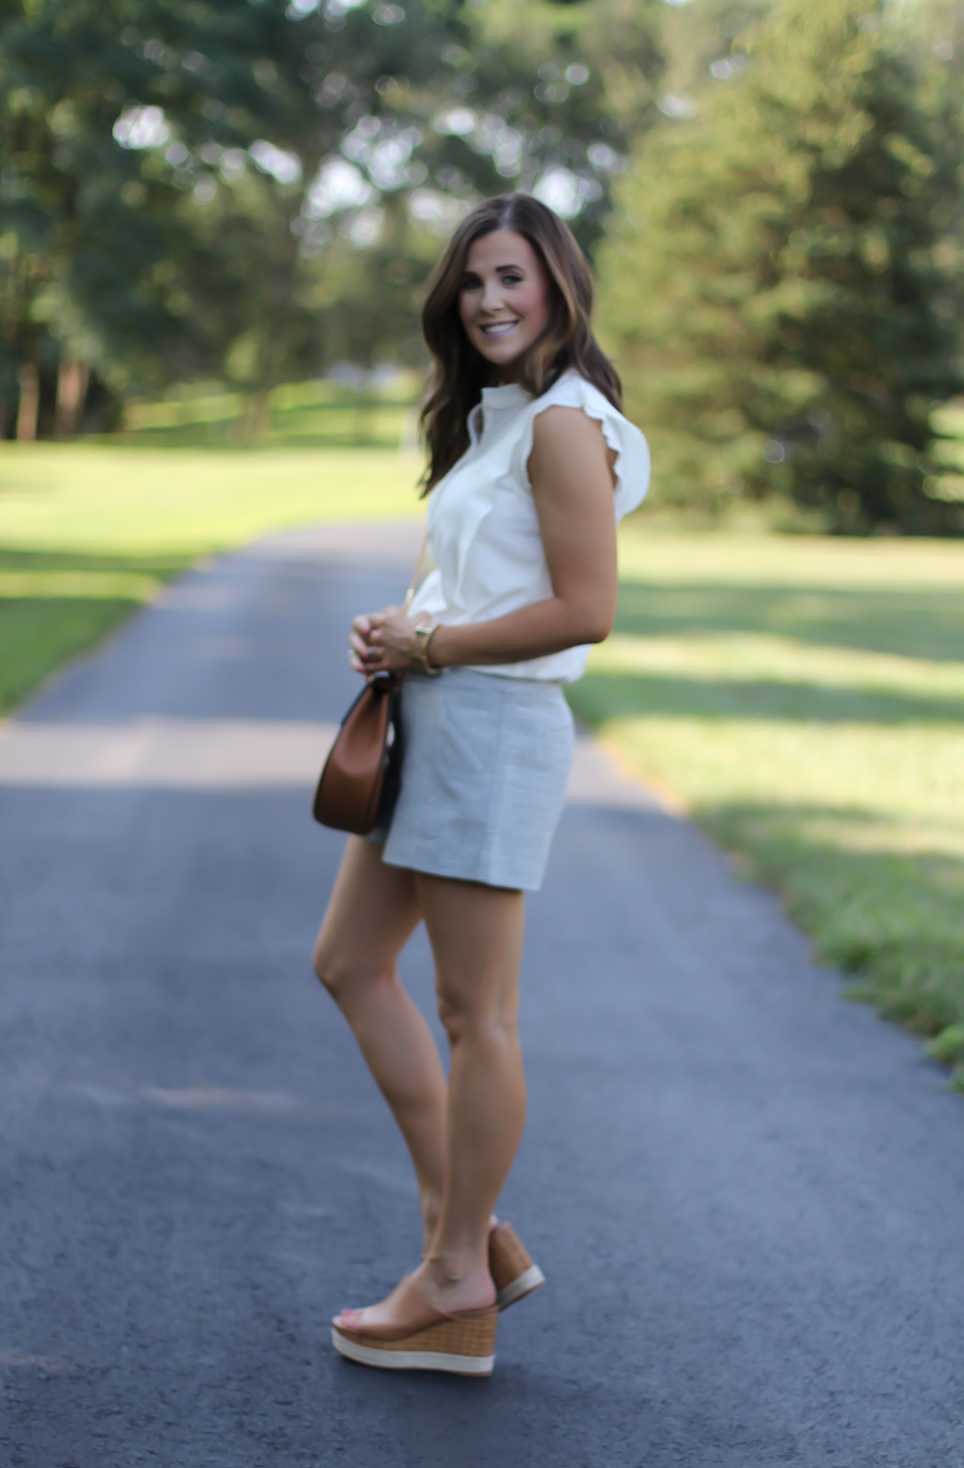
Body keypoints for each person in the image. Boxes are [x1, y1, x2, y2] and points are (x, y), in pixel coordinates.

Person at [312, 192, 650, 1376]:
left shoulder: (567, 424)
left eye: (512, 277)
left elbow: (585, 610)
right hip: (436, 717)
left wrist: (435, 647)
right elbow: (485, 579)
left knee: (476, 1015)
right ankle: (466, 1233)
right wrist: (405, 626)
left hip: (494, 730)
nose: (491, 300)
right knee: (349, 964)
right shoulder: (496, 417)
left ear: (558, 284)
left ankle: (455, 1276)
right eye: (472, 282)